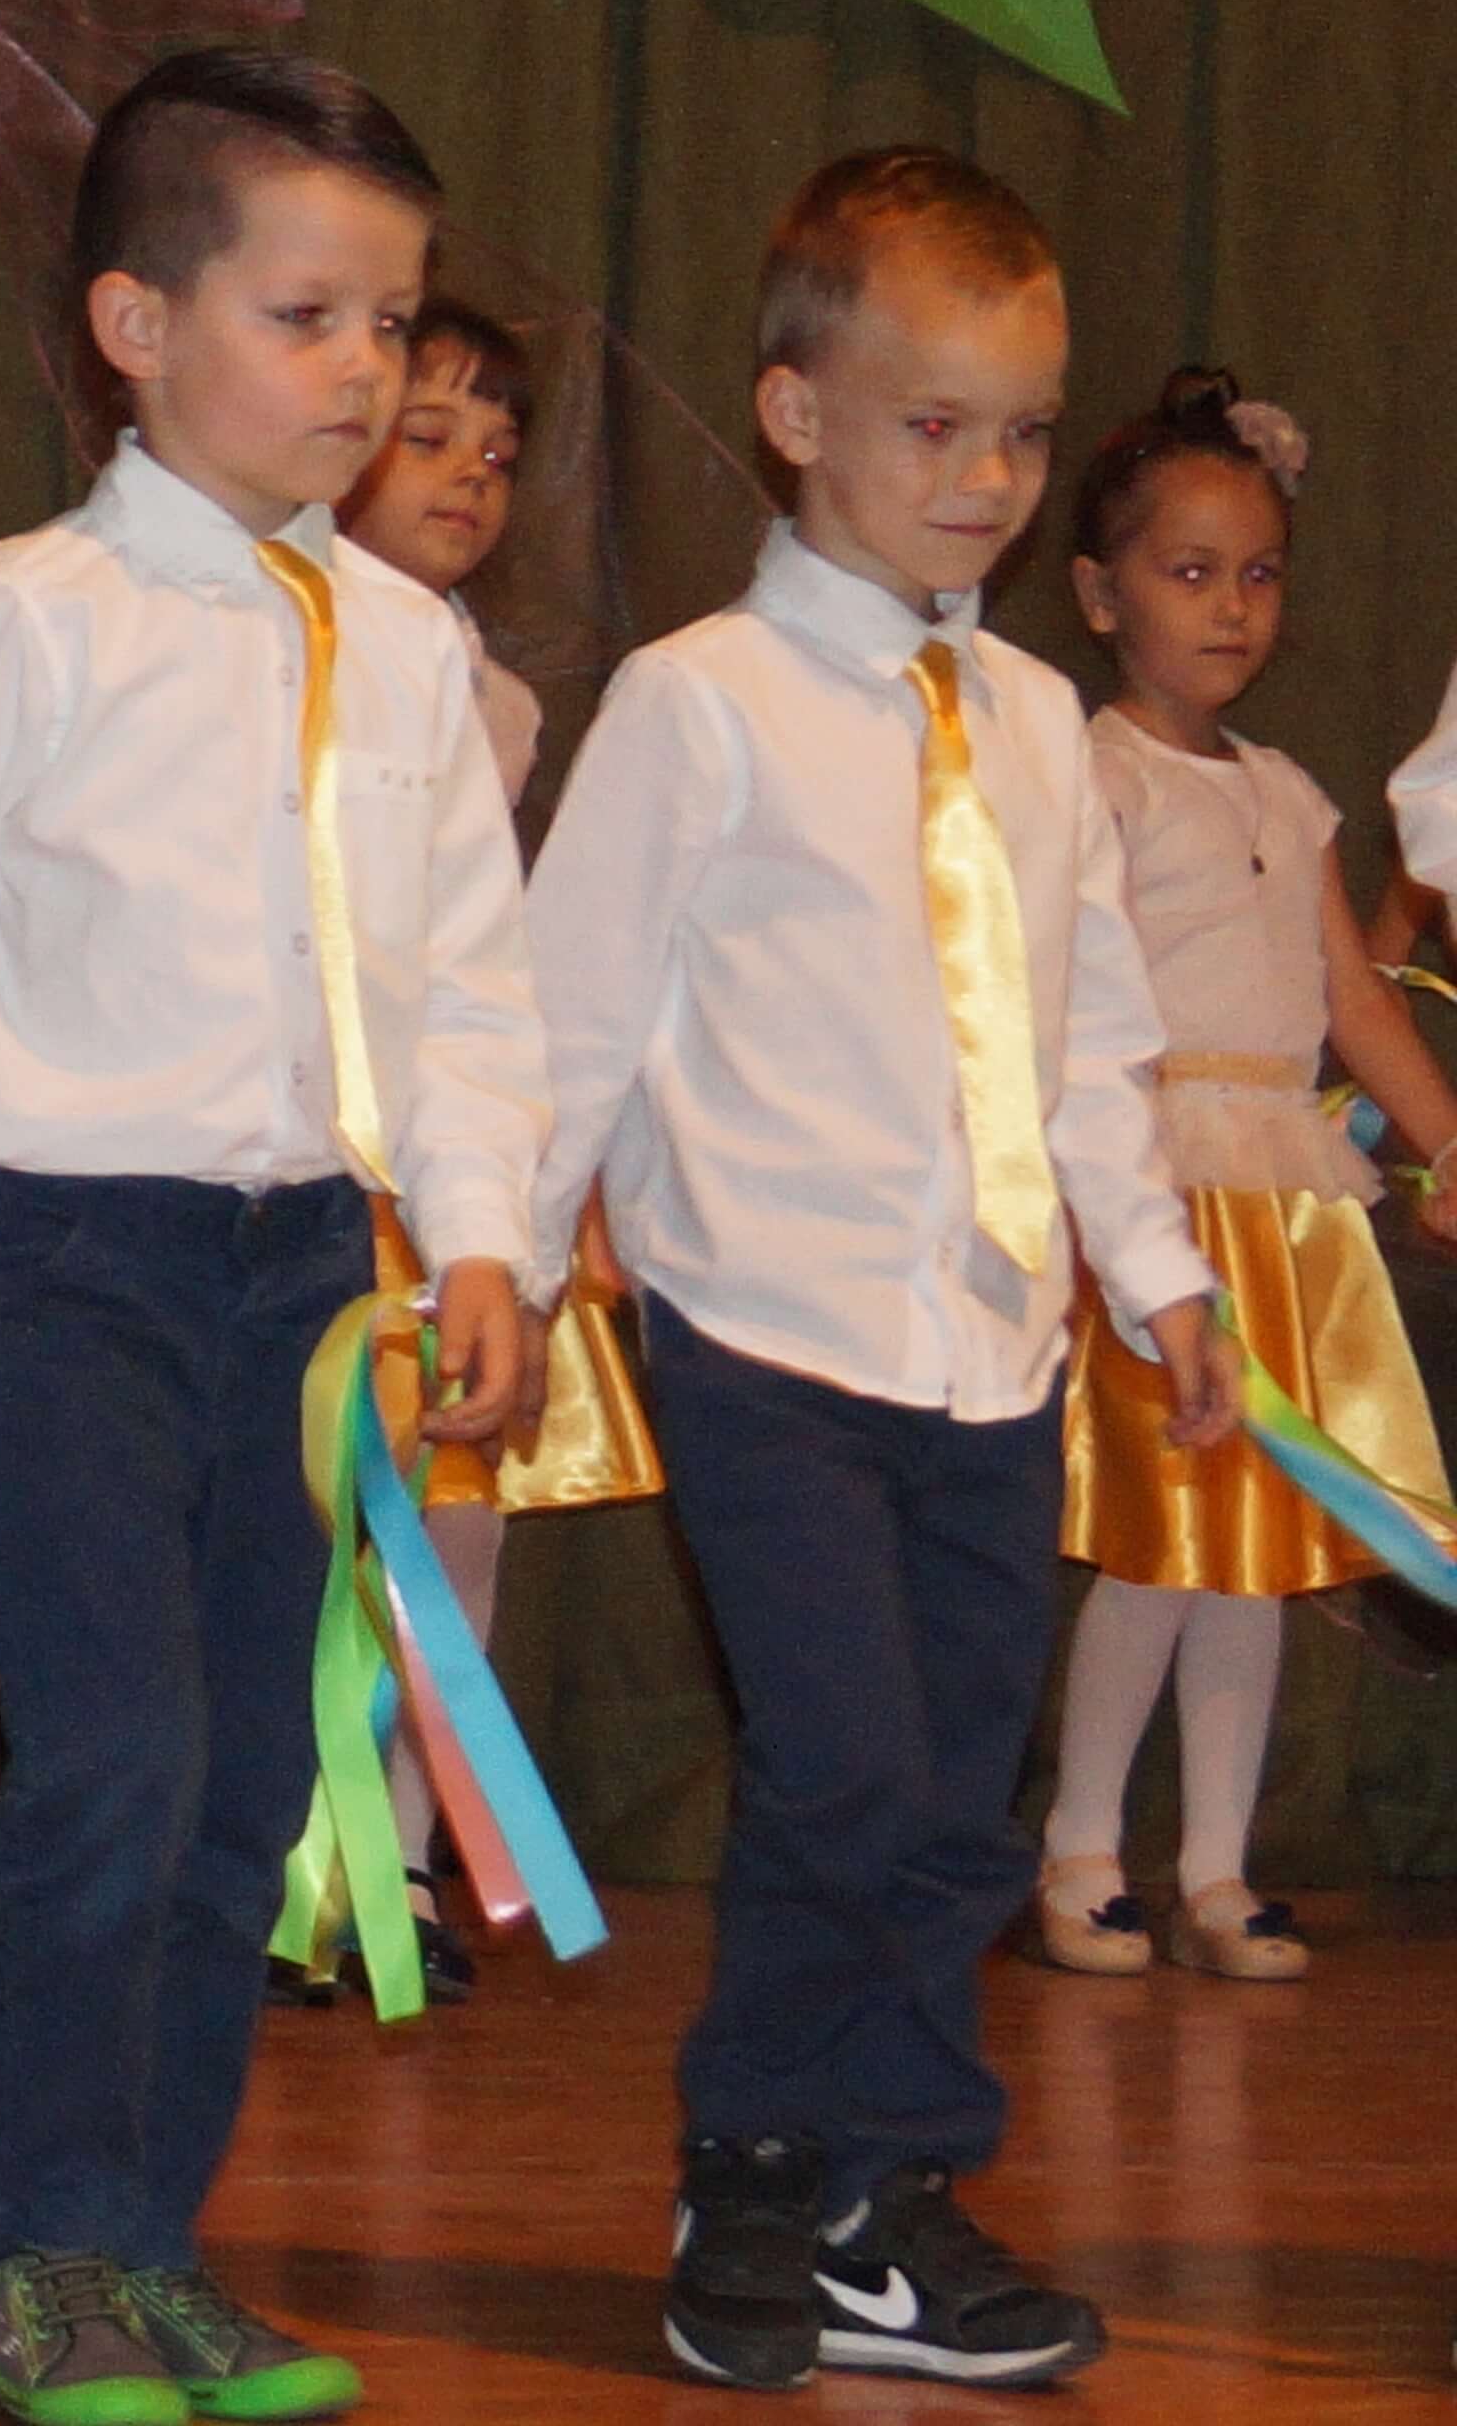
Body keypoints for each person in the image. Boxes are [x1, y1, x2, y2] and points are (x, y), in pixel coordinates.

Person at [0, 43, 548, 2426]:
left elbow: (467, 981)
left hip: (303, 1281)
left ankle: (155, 2245)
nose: (363, 369)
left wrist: (480, 1236)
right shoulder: (28, 617)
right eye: (305, 314)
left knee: (247, 1776)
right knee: (117, 1754)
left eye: (390, 322)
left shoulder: (411, 654)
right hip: (66, 1267)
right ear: (137, 326)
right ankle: (36, 2252)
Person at [526, 147, 1233, 2394]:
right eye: (932, 424)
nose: (986, 478)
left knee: (952, 1798)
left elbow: (1084, 1026)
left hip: (991, 1350)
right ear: (795, 411)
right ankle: (750, 2166)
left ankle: (886, 2194)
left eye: (1021, 432)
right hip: (770, 1335)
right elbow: (570, 1011)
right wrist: (497, 1258)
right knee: (837, 1768)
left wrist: (1154, 1269)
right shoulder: (700, 699)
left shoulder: (1031, 726)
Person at [1030, 370, 1453, 1986]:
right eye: (1190, 571)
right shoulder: (1093, 777)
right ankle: (1081, 1850)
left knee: (1258, 1553)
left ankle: (1216, 1865)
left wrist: (1446, 1140)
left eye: (1258, 573)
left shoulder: (1285, 792)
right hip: (1165, 1198)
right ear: (1101, 594)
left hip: (1287, 1202)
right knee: (1160, 1541)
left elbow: (1355, 1000)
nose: (1230, 607)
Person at [300, 295, 660, 2008]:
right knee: (305, 1523)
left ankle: (407, 1861)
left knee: (450, 1529)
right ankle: (295, 1859)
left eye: (498, 456)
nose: (467, 479)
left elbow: (498, 961)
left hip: (443, 1178)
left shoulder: (496, 701)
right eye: (426, 437)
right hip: (312, 1152)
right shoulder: (283, 644)